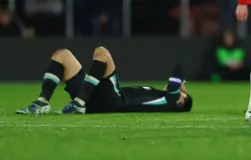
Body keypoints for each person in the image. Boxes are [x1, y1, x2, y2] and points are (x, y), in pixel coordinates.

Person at [16, 46, 193, 114]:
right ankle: (42, 103)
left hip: (115, 102)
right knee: (62, 55)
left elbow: (177, 71)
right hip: (96, 99)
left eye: (182, 93)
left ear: (180, 101)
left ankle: (79, 103)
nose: (180, 91)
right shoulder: (160, 97)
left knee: (102, 53)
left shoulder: (171, 101)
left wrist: (181, 84)